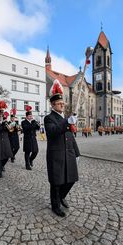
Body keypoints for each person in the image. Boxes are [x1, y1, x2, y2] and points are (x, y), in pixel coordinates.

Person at [44, 79, 80, 217]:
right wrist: (67, 121)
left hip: (69, 152)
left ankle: (61, 196)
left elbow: (70, 136)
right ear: (53, 105)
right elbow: (53, 132)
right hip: (56, 154)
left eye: (63, 103)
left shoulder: (65, 118)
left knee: (71, 178)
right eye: (59, 103)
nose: (62, 105)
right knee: (56, 181)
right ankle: (55, 205)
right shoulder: (49, 118)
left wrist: (77, 152)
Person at [21, 105, 40, 170]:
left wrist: (37, 124)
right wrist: (33, 123)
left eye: (31, 116)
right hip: (27, 139)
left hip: (33, 138)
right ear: (26, 116)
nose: (31, 117)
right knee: (27, 152)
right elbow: (27, 128)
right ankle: (27, 165)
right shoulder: (23, 122)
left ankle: (30, 160)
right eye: (29, 116)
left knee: (36, 151)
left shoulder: (33, 122)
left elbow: (37, 128)